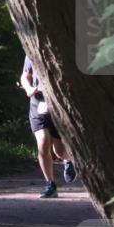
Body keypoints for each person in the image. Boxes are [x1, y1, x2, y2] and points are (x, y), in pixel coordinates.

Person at [20, 55, 76, 198]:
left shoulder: (60, 51)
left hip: (58, 105)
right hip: (37, 104)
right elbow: (25, 76)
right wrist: (28, 88)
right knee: (43, 143)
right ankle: (50, 184)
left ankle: (68, 160)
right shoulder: (31, 53)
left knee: (59, 151)